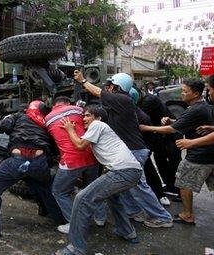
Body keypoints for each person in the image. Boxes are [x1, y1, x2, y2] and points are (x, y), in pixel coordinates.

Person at [74, 70, 173, 228]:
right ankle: (135, 212)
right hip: (131, 151)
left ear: (117, 87)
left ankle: (162, 217)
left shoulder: (122, 99)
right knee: (125, 187)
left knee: (139, 187)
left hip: (134, 151)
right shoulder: (119, 104)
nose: (107, 88)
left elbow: (98, 92)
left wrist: (82, 81)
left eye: (110, 85)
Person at [0, 100, 64, 238]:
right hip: (39, 163)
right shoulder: (46, 125)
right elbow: (54, 149)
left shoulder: (18, 117)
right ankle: (60, 219)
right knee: (43, 186)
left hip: (17, 160)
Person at [53, 105, 142, 255]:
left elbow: (80, 145)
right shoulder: (100, 129)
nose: (84, 118)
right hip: (131, 171)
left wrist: (69, 129)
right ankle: (127, 232)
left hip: (123, 171)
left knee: (82, 199)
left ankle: (76, 248)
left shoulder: (98, 125)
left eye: (88, 115)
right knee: (113, 198)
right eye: (84, 116)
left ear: (98, 117)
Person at [140, 79, 214, 225]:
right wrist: (172, 120)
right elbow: (182, 123)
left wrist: (147, 128)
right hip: (205, 153)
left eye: (185, 91)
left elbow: (172, 130)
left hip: (199, 154)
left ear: (196, 94)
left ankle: (187, 214)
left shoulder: (196, 108)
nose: (182, 94)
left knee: (184, 183)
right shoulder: (198, 106)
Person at [44, 96, 101, 234]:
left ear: (53, 105)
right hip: (92, 155)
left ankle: (74, 224)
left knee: (59, 191)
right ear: (67, 103)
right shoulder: (78, 109)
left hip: (71, 160)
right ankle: (100, 218)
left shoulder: (47, 118)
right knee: (93, 189)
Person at [129, 88, 171, 206]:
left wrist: (146, 150)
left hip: (144, 144)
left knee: (148, 169)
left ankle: (159, 195)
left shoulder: (140, 113)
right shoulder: (130, 111)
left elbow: (148, 136)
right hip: (136, 145)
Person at [138, 87, 182, 200]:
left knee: (174, 163)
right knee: (160, 161)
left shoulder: (149, 101)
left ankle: (180, 191)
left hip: (170, 135)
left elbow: (137, 117)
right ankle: (170, 187)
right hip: (159, 135)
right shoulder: (145, 99)